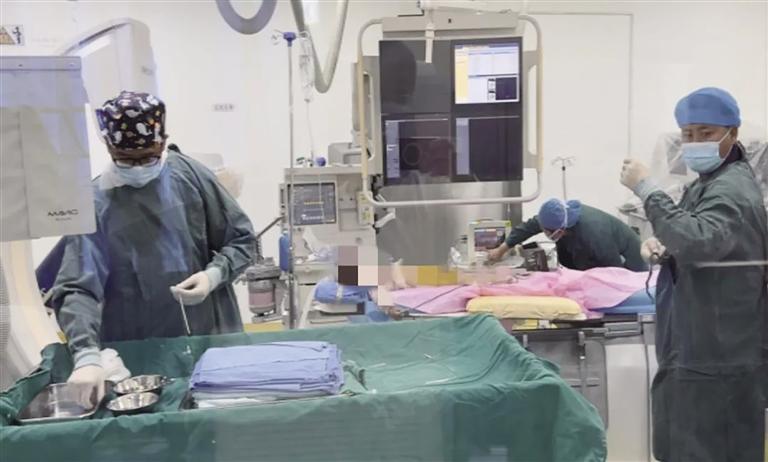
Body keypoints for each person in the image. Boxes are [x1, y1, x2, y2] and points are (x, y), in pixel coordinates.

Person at [50, 91, 256, 402]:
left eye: (147, 158)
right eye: (126, 159)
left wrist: (213, 275)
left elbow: (242, 239)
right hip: (137, 357)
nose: (137, 168)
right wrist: (86, 356)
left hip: (208, 341)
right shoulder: (95, 202)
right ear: (108, 147)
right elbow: (77, 287)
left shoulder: (191, 177)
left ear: (163, 142)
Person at [620, 87, 768, 462]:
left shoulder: (731, 189)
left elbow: (697, 241)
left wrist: (647, 189)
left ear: (732, 134)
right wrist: (665, 247)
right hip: (698, 348)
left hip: (718, 358)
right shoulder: (707, 183)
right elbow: (694, 234)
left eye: (706, 133)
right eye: (688, 134)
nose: (695, 142)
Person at [487, 198, 648, 271]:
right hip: (597, 254)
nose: (543, 231)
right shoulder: (554, 217)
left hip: (629, 261)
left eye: (546, 231)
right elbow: (527, 228)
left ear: (561, 230)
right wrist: (501, 249)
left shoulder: (594, 234)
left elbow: (614, 271)